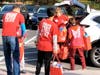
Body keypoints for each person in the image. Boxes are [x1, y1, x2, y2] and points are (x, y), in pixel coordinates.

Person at [2, 4, 26, 75]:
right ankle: (16, 73)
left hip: (4, 36)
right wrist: (22, 37)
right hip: (13, 36)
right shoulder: (20, 15)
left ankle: (9, 73)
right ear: (18, 9)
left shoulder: (5, 14)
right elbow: (23, 29)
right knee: (15, 56)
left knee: (7, 56)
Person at [35, 7, 58, 75]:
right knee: (47, 63)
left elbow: (38, 33)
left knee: (39, 61)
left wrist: (37, 42)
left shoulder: (42, 21)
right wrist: (55, 49)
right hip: (48, 46)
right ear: (54, 14)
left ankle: (37, 73)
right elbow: (54, 38)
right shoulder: (54, 25)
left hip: (41, 45)